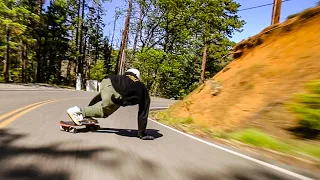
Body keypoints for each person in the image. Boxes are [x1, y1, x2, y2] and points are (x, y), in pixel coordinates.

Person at [66, 68, 154, 140]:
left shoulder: (120, 77)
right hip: (116, 93)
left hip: (106, 80)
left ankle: (85, 113)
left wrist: (89, 109)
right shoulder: (142, 87)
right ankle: (77, 111)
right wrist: (141, 133)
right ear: (138, 77)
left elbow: (101, 96)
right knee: (105, 111)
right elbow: (143, 112)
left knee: (107, 101)